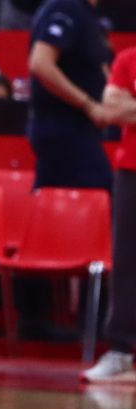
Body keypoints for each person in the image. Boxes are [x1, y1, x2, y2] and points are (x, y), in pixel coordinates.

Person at [26, 0, 130, 192]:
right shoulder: (66, 6)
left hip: (75, 129)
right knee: (101, 192)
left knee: (55, 199)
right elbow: (40, 63)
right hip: (64, 128)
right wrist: (88, 105)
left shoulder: (87, 12)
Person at [88, 42, 136, 383]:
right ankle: (120, 350)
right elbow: (111, 110)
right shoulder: (128, 59)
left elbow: (124, 107)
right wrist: (122, 108)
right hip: (132, 169)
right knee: (127, 261)